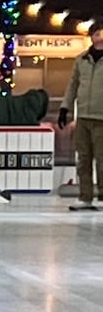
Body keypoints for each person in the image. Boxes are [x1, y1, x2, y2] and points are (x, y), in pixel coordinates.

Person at [61, 27, 103, 208]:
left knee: (102, 159)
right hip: (84, 117)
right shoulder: (81, 60)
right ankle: (85, 196)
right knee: (83, 159)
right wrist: (65, 107)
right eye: (96, 33)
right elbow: (73, 85)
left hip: (101, 118)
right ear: (91, 37)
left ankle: (102, 195)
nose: (100, 37)